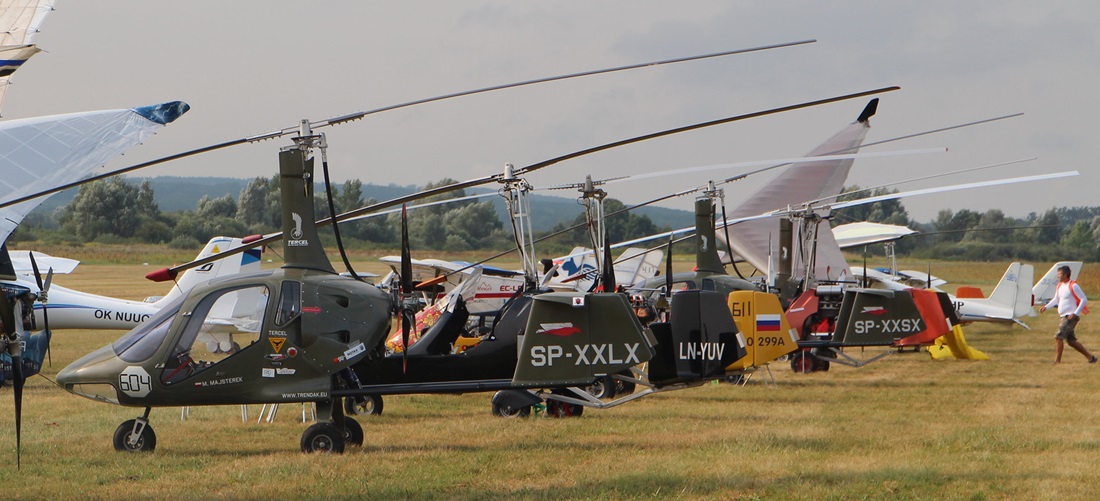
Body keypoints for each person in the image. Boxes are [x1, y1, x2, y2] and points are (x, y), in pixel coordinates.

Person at [1038, 265, 1095, 364]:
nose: (1058, 277)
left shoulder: (1073, 285)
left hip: (1070, 317)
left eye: (1059, 274)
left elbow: (1084, 299)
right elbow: (1056, 299)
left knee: (1058, 336)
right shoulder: (1059, 285)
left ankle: (1057, 361)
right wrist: (1046, 307)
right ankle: (1091, 358)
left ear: (1065, 275)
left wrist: (1075, 313)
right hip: (1063, 316)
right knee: (1071, 341)